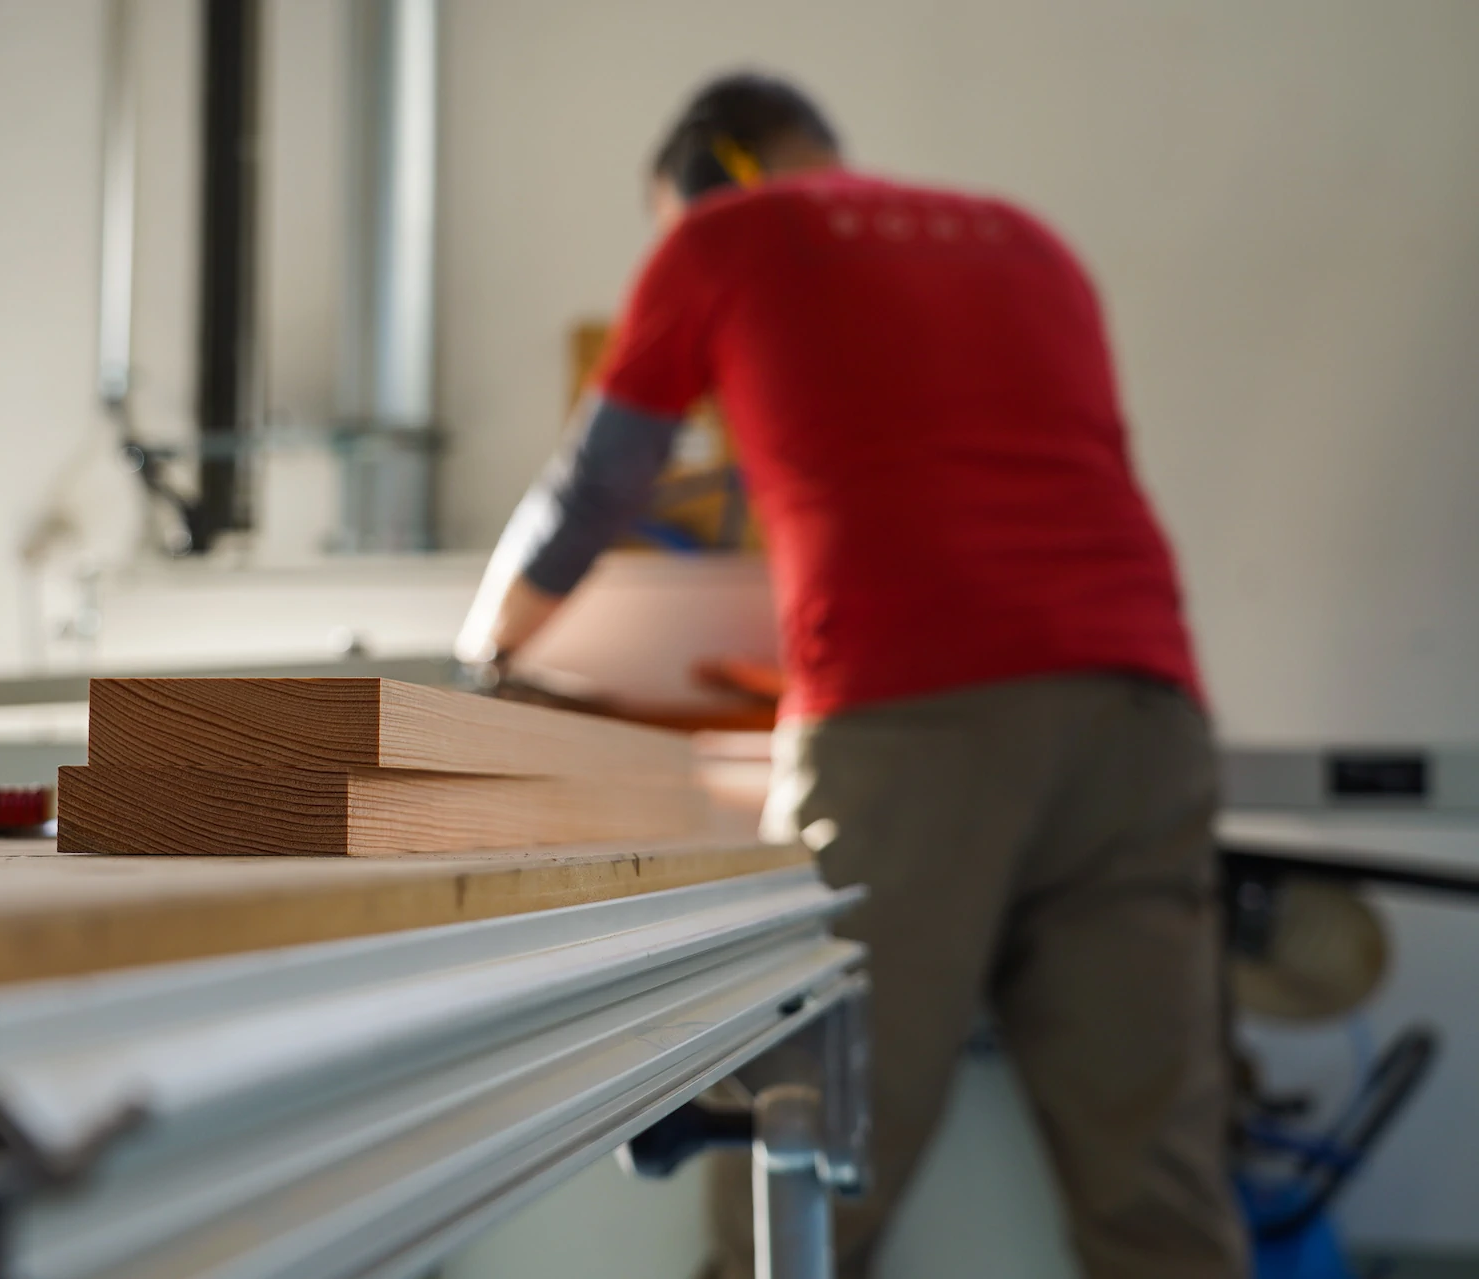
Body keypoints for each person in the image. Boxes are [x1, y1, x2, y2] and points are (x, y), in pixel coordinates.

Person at [455, 72, 1249, 1279]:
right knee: (1160, 1190)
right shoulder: (1026, 239)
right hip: (1140, 708)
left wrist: (482, 654)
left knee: (813, 1151)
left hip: (914, 732)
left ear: (711, 176)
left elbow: (592, 492)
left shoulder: (722, 234)